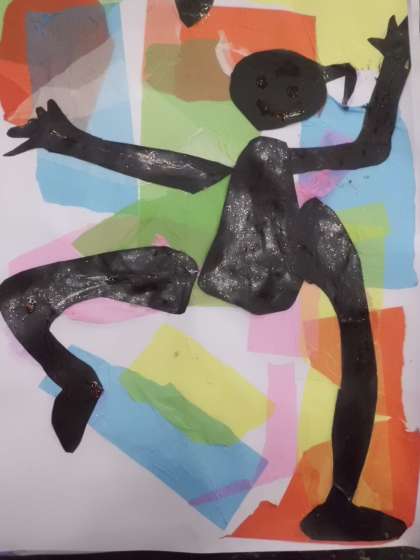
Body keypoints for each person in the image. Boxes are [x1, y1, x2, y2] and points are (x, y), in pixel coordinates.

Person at [1, 15, 410, 541]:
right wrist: (71, 141)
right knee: (19, 298)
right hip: (192, 276)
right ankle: (76, 379)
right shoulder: (235, 171)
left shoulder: (287, 187)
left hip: (275, 270)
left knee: (353, 330)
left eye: (285, 86)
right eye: (264, 84)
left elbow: (371, 150)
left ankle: (339, 503)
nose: (274, 93)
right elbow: (155, 163)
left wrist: (395, 68)